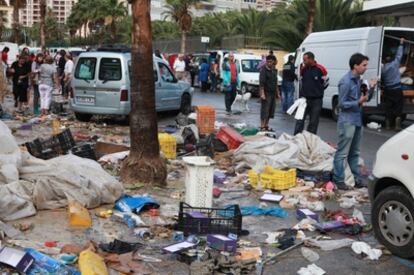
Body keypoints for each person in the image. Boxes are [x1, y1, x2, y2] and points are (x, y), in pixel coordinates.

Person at [333, 53, 377, 190]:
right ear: (355, 66)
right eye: (364, 65)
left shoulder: (359, 80)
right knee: (342, 152)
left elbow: (366, 98)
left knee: (355, 153)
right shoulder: (346, 81)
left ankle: (354, 179)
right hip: (347, 121)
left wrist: (372, 88)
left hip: (357, 120)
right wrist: (358, 102)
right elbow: (341, 104)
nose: (366, 68)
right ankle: (338, 179)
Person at [294, 52, 328, 135]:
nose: (303, 62)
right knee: (300, 119)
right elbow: (300, 81)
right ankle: (296, 137)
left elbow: (326, 82)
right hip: (304, 99)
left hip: (316, 100)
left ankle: (310, 138)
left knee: (313, 121)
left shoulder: (321, 69)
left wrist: (318, 90)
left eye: (305, 60)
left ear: (311, 59)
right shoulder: (303, 69)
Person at [381, 37, 405, 131]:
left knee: (389, 107)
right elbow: (399, 55)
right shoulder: (395, 64)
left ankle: (387, 125)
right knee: (398, 106)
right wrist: (401, 44)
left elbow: (382, 79)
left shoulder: (383, 69)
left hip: (388, 90)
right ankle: (397, 125)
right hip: (397, 89)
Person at [259, 55, 279, 131]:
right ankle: (262, 126)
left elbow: (276, 82)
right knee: (265, 110)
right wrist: (262, 94)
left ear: (273, 62)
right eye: (268, 61)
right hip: (266, 93)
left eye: (270, 62)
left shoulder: (274, 70)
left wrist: (278, 93)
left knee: (271, 110)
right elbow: (261, 83)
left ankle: (266, 125)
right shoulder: (263, 70)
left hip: (273, 93)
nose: (269, 63)